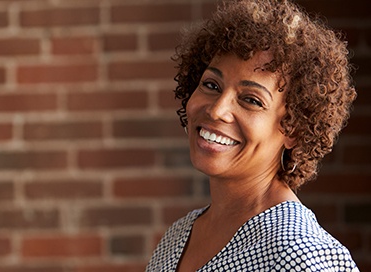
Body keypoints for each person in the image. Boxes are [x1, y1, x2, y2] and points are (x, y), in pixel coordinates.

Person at [146, 0, 359, 271]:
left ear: (294, 128)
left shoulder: (303, 255)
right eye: (211, 85)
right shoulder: (177, 237)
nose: (217, 110)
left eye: (251, 100)